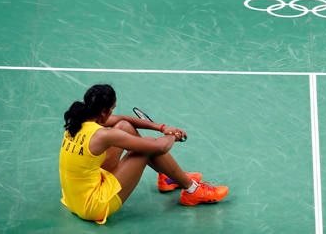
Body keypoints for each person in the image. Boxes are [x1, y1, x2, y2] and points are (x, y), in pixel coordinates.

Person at [59, 84, 229, 224]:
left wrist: (162, 128)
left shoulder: (80, 119)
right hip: (93, 206)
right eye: (112, 109)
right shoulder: (103, 135)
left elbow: (123, 120)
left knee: (125, 126)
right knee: (146, 149)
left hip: (75, 199)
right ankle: (192, 191)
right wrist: (172, 136)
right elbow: (159, 147)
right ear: (104, 112)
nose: (112, 113)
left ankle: (169, 176)